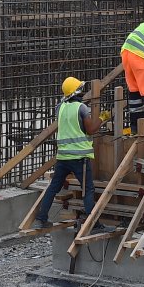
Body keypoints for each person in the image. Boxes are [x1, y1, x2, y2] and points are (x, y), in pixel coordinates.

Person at [33, 76, 104, 229]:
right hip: (79, 157)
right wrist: (102, 118)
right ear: (77, 92)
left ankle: (40, 219)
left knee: (53, 187)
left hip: (63, 157)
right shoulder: (82, 108)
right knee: (88, 190)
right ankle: (94, 225)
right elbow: (91, 129)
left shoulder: (60, 107)